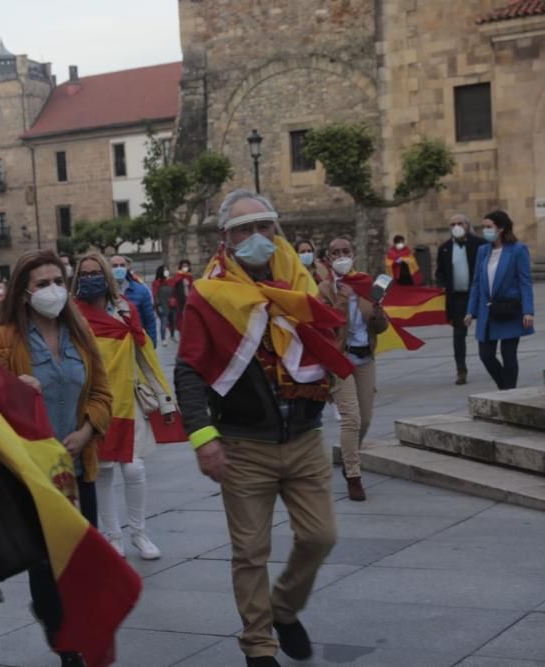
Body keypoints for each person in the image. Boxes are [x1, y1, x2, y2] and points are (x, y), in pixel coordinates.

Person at [175, 189, 347, 667]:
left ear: (277, 229)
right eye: (243, 230)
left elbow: (335, 340)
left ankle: (284, 608)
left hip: (305, 436)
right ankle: (258, 646)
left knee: (321, 537)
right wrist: (203, 437)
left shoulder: (302, 281)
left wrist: (350, 313)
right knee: (250, 552)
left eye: (264, 226)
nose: (256, 237)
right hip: (244, 444)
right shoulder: (209, 295)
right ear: (225, 239)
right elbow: (189, 370)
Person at [0, 250, 113, 667]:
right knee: (45, 570)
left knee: (79, 566)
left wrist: (88, 429)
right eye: (42, 284)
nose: (52, 290)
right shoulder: (5, 339)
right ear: (24, 291)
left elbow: (101, 395)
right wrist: (11, 389)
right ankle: (60, 633)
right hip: (33, 478)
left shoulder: (80, 335)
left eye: (57, 281)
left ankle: (69, 639)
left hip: (79, 471)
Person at [74, 251, 179, 561]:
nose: (90, 278)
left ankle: (140, 533)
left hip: (128, 400)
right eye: (84, 274)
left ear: (106, 276)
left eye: (95, 272)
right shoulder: (72, 315)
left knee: (134, 468)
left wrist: (165, 397)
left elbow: (145, 354)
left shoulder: (125, 311)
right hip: (94, 404)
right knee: (104, 471)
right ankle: (113, 536)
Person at [317, 237, 390, 502]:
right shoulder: (324, 289)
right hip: (341, 360)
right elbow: (325, 326)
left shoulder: (366, 285)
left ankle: (351, 456)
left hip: (365, 358)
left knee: (367, 419)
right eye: (335, 253)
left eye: (345, 251)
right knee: (351, 418)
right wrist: (341, 300)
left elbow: (381, 327)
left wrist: (379, 313)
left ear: (353, 254)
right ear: (328, 259)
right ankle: (354, 475)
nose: (341, 256)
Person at [464, 210, 535, 390]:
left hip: (509, 309)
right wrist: (470, 311)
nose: (485, 231)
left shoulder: (517, 250)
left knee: (509, 355)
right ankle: (506, 389)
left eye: (489, 227)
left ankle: (509, 392)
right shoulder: (483, 251)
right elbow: (476, 284)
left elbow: (525, 282)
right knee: (485, 355)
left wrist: (528, 311)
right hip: (488, 311)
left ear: (501, 228)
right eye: (483, 227)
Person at [435, 214, 486, 385]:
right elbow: (440, 272)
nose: (456, 226)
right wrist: (441, 285)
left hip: (479, 295)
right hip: (457, 297)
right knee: (459, 334)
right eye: (452, 224)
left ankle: (489, 358)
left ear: (467, 225)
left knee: (486, 329)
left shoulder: (480, 244)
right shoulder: (444, 248)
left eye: (460, 223)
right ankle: (461, 369)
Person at [110, 255, 157, 344]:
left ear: (127, 267)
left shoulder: (141, 291)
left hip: (136, 343)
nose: (119, 268)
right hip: (113, 344)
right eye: (115, 266)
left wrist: (152, 344)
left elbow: (149, 320)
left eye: (122, 265)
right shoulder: (104, 291)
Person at [152, 265, 176, 347]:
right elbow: (155, 295)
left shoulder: (171, 281)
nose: (166, 271)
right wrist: (158, 305)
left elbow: (174, 292)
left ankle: (172, 335)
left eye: (167, 270)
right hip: (162, 306)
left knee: (173, 322)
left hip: (172, 306)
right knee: (163, 323)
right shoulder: (156, 283)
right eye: (164, 270)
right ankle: (163, 339)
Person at [168, 259, 194, 327]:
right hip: (180, 298)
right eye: (183, 266)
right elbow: (173, 286)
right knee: (180, 314)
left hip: (188, 298)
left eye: (186, 266)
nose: (185, 267)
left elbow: (191, 286)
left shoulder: (190, 276)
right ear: (181, 267)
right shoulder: (178, 276)